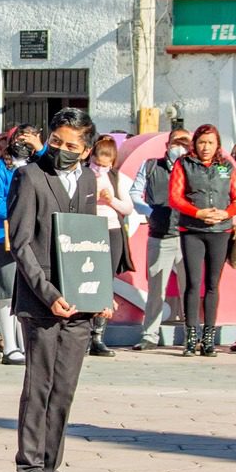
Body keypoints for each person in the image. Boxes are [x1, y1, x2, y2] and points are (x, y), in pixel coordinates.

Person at [6, 107, 111, 472]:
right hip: (42, 301)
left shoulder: (86, 178)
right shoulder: (30, 175)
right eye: (57, 141)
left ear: (86, 149)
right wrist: (49, 293)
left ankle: (51, 470)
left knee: (64, 390)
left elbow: (87, 237)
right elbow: (21, 243)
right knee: (40, 387)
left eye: (72, 145)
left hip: (79, 302)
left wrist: (100, 292)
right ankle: (28, 471)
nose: (62, 149)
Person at [168, 124, 236, 356]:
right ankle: (191, 335)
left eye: (211, 143)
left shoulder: (226, 166)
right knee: (192, 282)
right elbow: (175, 197)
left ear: (218, 144)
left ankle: (209, 337)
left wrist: (226, 213)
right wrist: (197, 212)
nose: (206, 147)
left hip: (220, 230)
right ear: (194, 144)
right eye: (202, 142)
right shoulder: (184, 164)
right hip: (192, 228)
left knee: (213, 284)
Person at [0, 126, 40, 365]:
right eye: (18, 138)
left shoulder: (37, 166)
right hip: (4, 235)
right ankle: (10, 346)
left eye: (28, 139)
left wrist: (39, 147)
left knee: (26, 293)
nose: (22, 143)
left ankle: (25, 344)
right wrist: (20, 214)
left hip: (34, 237)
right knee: (6, 293)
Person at [131, 128, 189, 351]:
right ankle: (150, 335)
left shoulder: (192, 168)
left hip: (187, 235)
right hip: (160, 235)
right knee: (157, 288)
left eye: (185, 143)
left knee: (189, 289)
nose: (180, 147)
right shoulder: (151, 166)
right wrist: (150, 211)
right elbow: (135, 193)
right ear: (167, 145)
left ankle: (191, 333)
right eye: (176, 142)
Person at [88, 134, 134, 357]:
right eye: (97, 163)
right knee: (87, 278)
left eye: (105, 165)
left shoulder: (117, 178)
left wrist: (110, 200)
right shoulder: (83, 175)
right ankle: (83, 333)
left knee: (106, 280)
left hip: (112, 229)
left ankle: (98, 335)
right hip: (89, 228)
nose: (100, 168)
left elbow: (127, 207)